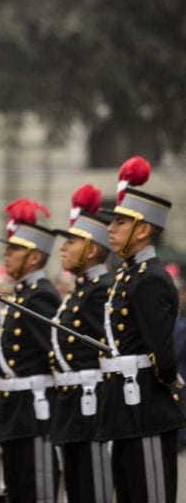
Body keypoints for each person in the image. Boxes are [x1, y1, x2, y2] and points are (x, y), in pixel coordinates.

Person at [96, 156, 186, 503]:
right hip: (124, 409)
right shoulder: (128, 274)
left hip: (145, 408)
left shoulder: (149, 279)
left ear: (143, 229)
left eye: (119, 222)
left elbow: (163, 357)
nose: (110, 229)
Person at [0, 197, 60, 503]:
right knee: (16, 491)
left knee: (37, 491)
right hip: (14, 412)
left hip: (35, 413)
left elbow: (56, 356)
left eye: (14, 248)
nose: (6, 253)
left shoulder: (41, 296)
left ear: (33, 257)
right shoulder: (20, 295)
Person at [51, 184, 114, 503]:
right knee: (77, 490)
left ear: (91, 249)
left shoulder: (102, 289)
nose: (63, 248)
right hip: (71, 406)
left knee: (94, 490)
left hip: (92, 406)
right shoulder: (80, 290)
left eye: (71, 242)